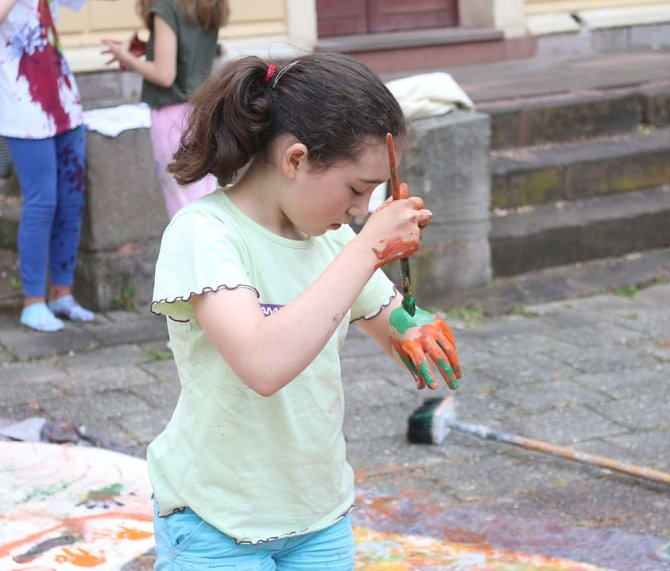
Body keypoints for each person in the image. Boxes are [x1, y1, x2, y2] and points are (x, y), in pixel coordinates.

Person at [148, 53, 462, 569]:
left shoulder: (329, 240)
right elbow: (262, 365)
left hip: (318, 514)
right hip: (216, 519)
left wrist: (415, 326)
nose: (361, 211)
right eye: (358, 189)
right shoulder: (205, 233)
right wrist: (368, 249)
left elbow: (390, 322)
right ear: (295, 160)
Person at [0, 0, 100, 332]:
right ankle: (32, 301)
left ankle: (62, 294)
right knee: (42, 202)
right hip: (23, 108)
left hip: (63, 100)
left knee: (72, 201)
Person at [101, 0, 228, 218]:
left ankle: (189, 252)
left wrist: (126, 58)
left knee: (183, 205)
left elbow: (164, 74)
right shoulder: (207, 4)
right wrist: (151, 48)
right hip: (202, 108)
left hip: (173, 117)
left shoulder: (166, 7)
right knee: (206, 197)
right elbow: (190, 50)